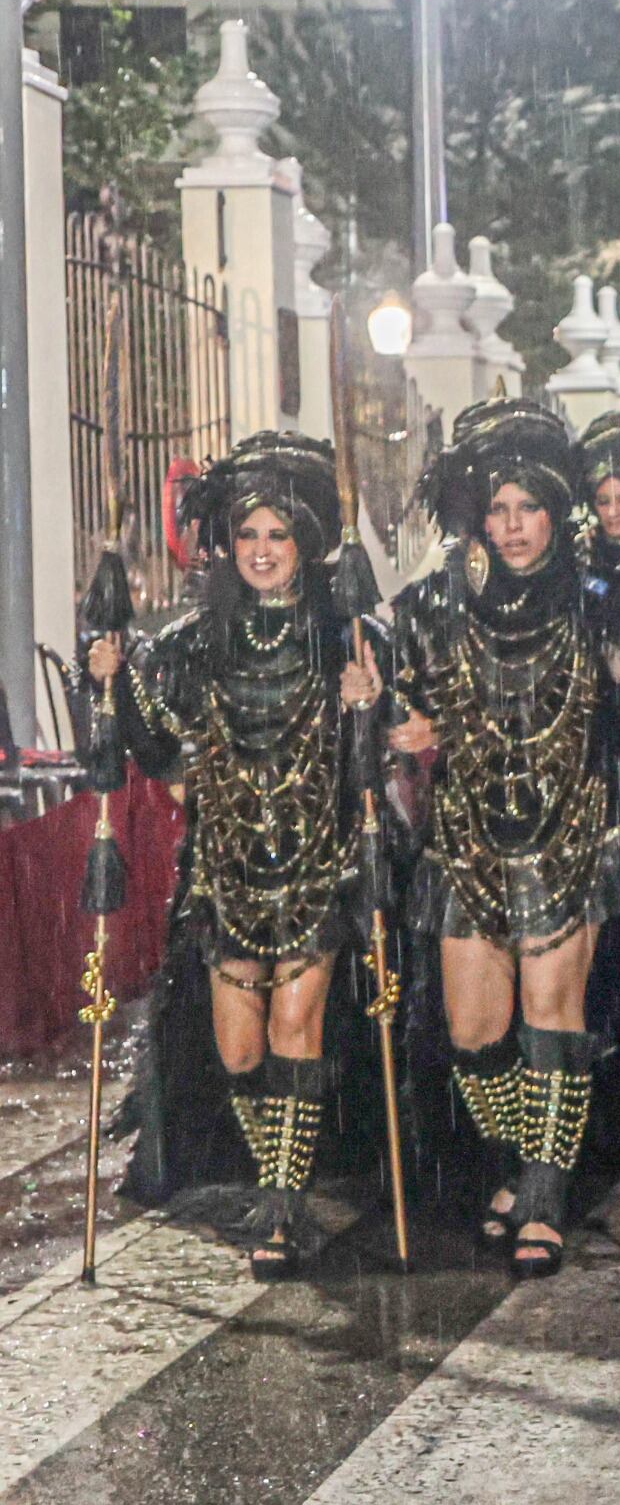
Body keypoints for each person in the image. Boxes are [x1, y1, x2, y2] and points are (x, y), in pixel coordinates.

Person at [392, 401, 620, 1279]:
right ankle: (528, 1157)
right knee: (475, 1033)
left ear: (557, 512)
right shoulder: (436, 605)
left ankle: (545, 1192)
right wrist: (403, 726)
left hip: (573, 836)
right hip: (468, 838)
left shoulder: (603, 604)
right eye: (499, 510)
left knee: (551, 1022)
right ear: (479, 517)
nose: (514, 527)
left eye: (529, 508)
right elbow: (404, 706)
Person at [88, 433, 388, 1279]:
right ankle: (276, 1174)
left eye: (278, 536)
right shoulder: (193, 640)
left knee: (297, 1028)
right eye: (249, 535)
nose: (261, 552)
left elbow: (380, 753)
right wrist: (111, 681)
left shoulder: (344, 632)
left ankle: (284, 1205)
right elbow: (153, 751)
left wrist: (366, 704)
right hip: (226, 875)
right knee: (240, 1052)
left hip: (317, 867)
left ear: (305, 544)